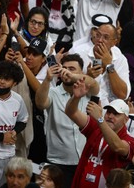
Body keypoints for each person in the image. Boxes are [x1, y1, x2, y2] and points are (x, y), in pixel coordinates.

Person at [35, 54, 99, 188]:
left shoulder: (87, 91)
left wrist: (74, 76)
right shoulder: (53, 92)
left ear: (81, 72)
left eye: (72, 68)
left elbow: (94, 84)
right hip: (58, 162)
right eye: (64, 68)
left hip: (83, 160)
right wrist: (47, 79)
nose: (67, 71)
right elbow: (41, 103)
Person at [65, 87, 134, 187]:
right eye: (108, 112)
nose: (110, 116)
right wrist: (76, 98)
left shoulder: (131, 140)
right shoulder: (96, 128)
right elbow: (71, 112)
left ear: (126, 119)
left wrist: (99, 118)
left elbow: (117, 146)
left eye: (116, 114)